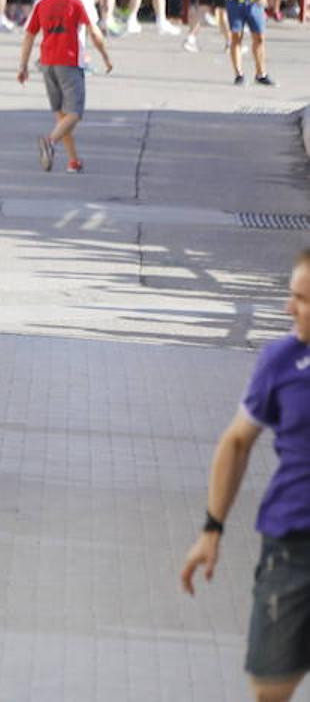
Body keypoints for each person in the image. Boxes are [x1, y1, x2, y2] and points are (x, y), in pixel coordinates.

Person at [181, 249, 310, 702]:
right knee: (269, 692)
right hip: (292, 549)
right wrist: (211, 529)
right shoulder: (281, 362)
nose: (288, 307)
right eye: (291, 295)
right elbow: (236, 442)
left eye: (302, 299)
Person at [17, 0, 113, 175]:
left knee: (61, 115)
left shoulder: (41, 4)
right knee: (75, 113)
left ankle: (73, 161)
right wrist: (105, 56)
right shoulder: (76, 3)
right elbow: (94, 33)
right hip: (69, 62)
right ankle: (50, 142)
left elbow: (29, 37)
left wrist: (23, 66)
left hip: (47, 63)